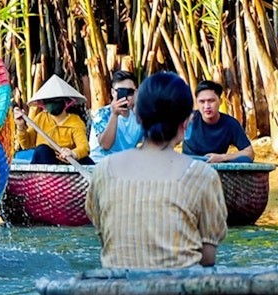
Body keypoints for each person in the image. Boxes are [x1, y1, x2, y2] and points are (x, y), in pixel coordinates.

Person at [85, 72, 227, 269]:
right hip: (178, 294)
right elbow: (208, 257)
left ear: (140, 118)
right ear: (185, 123)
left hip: (119, 294)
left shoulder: (103, 172)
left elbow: (106, 241)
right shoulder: (203, 175)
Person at [13, 74, 94, 165]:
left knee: (87, 161)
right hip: (45, 163)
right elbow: (26, 144)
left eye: (56, 100)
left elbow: (84, 147)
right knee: (42, 149)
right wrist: (20, 126)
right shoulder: (41, 118)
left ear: (66, 101)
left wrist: (72, 153)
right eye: (49, 101)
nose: (52, 103)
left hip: (67, 163)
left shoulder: (75, 121)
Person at [182, 80, 254, 163]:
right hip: (189, 167)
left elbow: (249, 153)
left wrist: (223, 157)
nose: (206, 106)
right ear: (197, 103)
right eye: (202, 102)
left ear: (220, 101)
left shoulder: (230, 124)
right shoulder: (187, 119)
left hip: (217, 167)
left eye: (211, 101)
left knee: (245, 160)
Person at [89, 70, 143, 163]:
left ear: (136, 92)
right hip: (99, 166)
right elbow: (105, 145)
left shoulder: (138, 117)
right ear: (113, 92)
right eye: (121, 91)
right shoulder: (103, 113)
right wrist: (114, 114)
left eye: (129, 92)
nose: (125, 96)